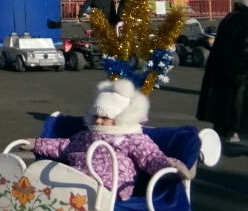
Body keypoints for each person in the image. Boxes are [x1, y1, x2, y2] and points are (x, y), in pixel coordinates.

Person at [32, 78, 194, 200]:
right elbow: (64, 146)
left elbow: (151, 158)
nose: (98, 121)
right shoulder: (86, 135)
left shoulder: (132, 138)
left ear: (121, 117)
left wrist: (172, 165)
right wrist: (36, 144)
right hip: (79, 184)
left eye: (105, 117)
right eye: (96, 116)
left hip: (111, 190)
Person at [197, 0, 248, 143]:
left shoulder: (232, 18)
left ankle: (225, 135)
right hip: (236, 78)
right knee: (233, 111)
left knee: (223, 112)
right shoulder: (242, 21)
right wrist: (239, 75)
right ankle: (231, 135)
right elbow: (239, 53)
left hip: (223, 75)